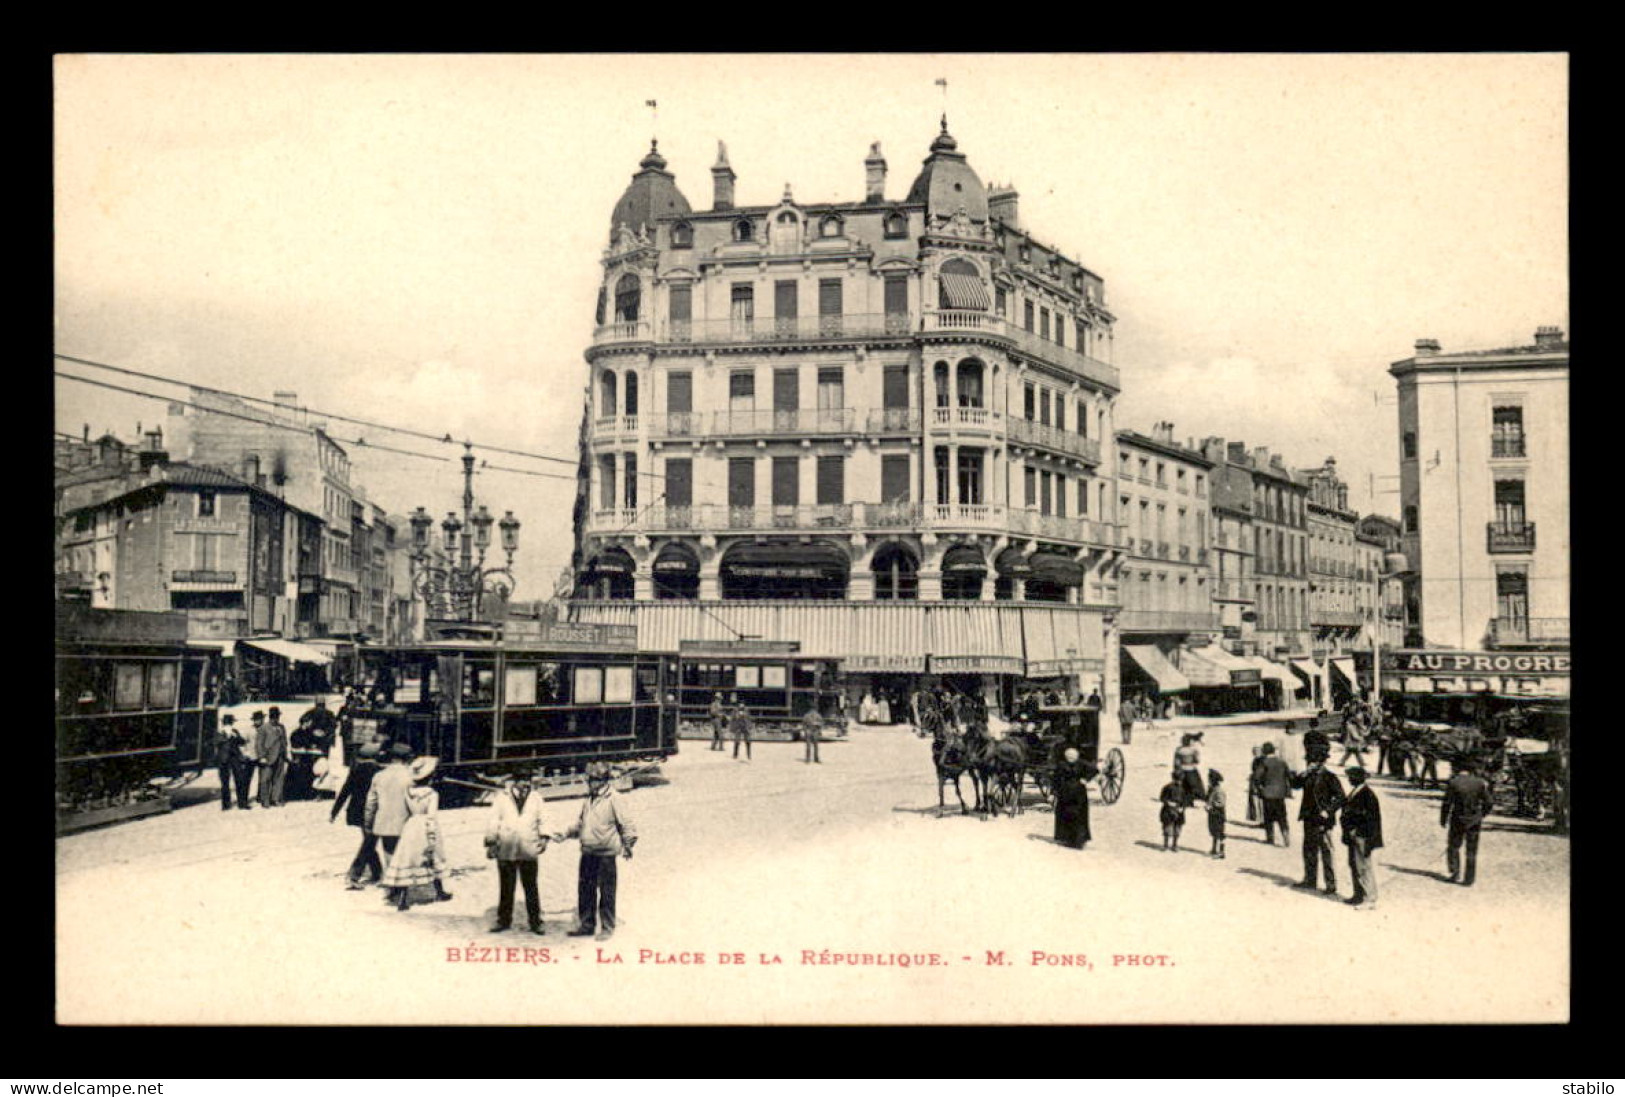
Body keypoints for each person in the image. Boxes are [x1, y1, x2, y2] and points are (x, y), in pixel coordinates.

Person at [558, 761, 637, 942]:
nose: (591, 783)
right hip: (588, 853)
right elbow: (581, 824)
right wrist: (565, 834)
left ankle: (608, 927)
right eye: (589, 779)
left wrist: (628, 845)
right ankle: (587, 925)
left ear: (604, 780)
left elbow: (627, 825)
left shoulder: (614, 798)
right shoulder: (589, 799)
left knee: (607, 892)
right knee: (585, 890)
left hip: (606, 854)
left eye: (594, 780)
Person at [377, 756, 452, 911]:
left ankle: (403, 899)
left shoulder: (408, 791)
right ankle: (440, 891)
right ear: (430, 777)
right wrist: (432, 835)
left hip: (411, 826)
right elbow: (431, 816)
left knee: (407, 859)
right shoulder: (432, 794)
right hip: (425, 825)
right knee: (432, 856)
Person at [485, 772, 550, 934]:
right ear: (514, 782)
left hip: (528, 847)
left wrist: (544, 837)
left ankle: (535, 922)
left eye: (528, 780)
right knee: (506, 887)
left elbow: (544, 819)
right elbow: (493, 820)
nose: (526, 784)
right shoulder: (502, 798)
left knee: (531, 886)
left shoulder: (536, 798)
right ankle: (503, 920)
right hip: (506, 847)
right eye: (522, 781)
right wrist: (492, 842)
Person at [1291, 742, 1346, 895]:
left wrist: (1328, 811)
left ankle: (1330, 884)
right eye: (1309, 760)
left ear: (1320, 761)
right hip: (1308, 817)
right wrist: (1302, 774)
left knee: (1326, 851)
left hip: (1323, 821)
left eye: (1312, 760)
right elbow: (1295, 785)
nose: (1309, 763)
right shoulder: (1308, 775)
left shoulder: (1330, 777)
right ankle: (1310, 880)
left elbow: (1341, 797)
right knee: (1308, 849)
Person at [330, 742, 383, 889]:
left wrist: (334, 812)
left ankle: (377, 873)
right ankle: (354, 875)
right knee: (369, 842)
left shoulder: (356, 770)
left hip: (358, 811)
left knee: (369, 840)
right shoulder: (379, 771)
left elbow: (345, 791)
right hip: (374, 811)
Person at [1441, 755, 1494, 886]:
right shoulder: (1480, 783)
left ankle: (1455, 873)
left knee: (1453, 846)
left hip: (1457, 819)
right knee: (1471, 850)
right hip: (1474, 821)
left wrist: (1443, 819)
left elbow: (1447, 803)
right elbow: (1489, 802)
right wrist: (1481, 815)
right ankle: (1469, 879)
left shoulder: (1454, 782)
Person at [365, 742, 417, 869]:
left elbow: (370, 804)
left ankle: (392, 885)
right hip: (407, 823)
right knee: (405, 857)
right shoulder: (411, 777)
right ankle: (402, 886)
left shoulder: (379, 776)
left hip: (384, 823)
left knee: (389, 856)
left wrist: (368, 824)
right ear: (407, 759)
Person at [1340, 766, 1383, 909]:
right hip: (1354, 835)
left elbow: (1370, 819)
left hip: (1362, 836)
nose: (1349, 779)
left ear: (1357, 778)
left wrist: (1356, 829)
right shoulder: (1356, 792)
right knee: (1354, 865)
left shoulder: (1367, 795)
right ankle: (1358, 895)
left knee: (1363, 867)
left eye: (1351, 777)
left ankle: (1369, 898)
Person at [1052, 745, 1096, 850]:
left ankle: (1080, 841)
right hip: (1065, 794)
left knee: (1079, 816)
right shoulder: (1061, 765)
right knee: (1065, 815)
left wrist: (1086, 779)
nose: (1071, 759)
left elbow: (1094, 770)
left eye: (1073, 757)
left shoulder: (1081, 764)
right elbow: (1056, 779)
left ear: (1076, 756)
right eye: (1069, 757)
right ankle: (1067, 839)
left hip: (1079, 794)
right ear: (1066, 757)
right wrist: (1053, 793)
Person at [1255, 741, 1293, 846]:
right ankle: (1286, 837)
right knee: (1282, 816)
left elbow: (1257, 777)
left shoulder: (1264, 763)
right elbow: (1289, 776)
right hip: (1280, 794)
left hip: (1268, 793)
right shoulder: (1282, 762)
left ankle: (1270, 838)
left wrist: (1260, 787)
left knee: (1268, 817)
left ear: (1264, 751)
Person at [216, 714, 253, 811]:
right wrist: (227, 737)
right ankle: (226, 804)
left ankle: (242, 803)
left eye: (230, 723)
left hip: (235, 759)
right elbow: (216, 742)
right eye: (228, 723)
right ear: (224, 724)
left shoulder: (235, 732)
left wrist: (236, 737)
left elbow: (242, 742)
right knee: (225, 783)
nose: (229, 725)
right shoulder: (219, 732)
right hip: (223, 760)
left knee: (239, 780)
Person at [252, 710, 287, 808]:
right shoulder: (263, 728)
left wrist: (285, 754)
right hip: (268, 757)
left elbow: (284, 741)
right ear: (270, 717)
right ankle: (265, 800)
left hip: (280, 757)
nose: (276, 719)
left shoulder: (282, 727)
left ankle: (275, 799)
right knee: (265, 779)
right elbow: (259, 744)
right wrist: (261, 757)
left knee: (278, 779)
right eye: (274, 717)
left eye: (277, 716)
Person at [1173, 733, 1205, 806]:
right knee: (1195, 785)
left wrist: (1177, 769)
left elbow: (1176, 762)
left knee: (1184, 786)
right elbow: (1197, 760)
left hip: (1182, 769)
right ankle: (1197, 799)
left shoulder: (1178, 750)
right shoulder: (1193, 750)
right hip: (1191, 769)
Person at [1159, 769, 1186, 852]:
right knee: (1167, 828)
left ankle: (1175, 845)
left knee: (1177, 828)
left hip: (1179, 811)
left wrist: (1182, 807)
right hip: (1168, 810)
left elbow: (1185, 800)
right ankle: (1166, 845)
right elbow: (1162, 798)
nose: (1179, 781)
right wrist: (1169, 803)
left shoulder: (1183, 789)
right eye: (1177, 779)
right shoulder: (1167, 787)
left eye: (1180, 780)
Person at [1206, 769, 1228, 859]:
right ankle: (1214, 849)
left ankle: (1221, 852)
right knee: (1213, 832)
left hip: (1218, 814)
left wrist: (1212, 806)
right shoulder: (1212, 789)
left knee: (1219, 833)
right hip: (1213, 813)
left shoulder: (1219, 791)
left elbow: (1221, 803)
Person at [1246, 743, 1264, 824]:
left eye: (1256, 752)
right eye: (1254, 752)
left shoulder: (1262, 760)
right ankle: (1259, 820)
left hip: (1260, 783)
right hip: (1254, 783)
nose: (1255, 753)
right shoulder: (1255, 760)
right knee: (1255, 802)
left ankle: (1263, 821)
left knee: (1261, 802)